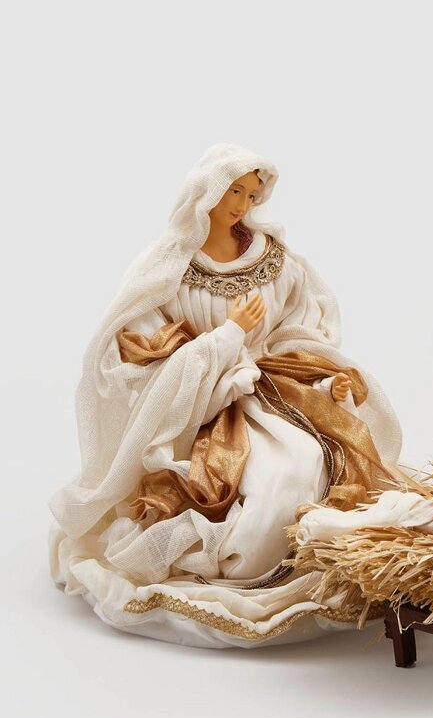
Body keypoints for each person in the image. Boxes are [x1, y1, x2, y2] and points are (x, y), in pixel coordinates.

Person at [49, 143, 402, 646]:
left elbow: (295, 334)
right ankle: (237, 561)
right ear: (207, 190)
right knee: (268, 485)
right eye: (234, 191)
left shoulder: (275, 260)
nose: (242, 204)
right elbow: (150, 359)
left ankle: (299, 553)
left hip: (271, 392)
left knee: (304, 462)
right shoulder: (168, 267)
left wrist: (321, 380)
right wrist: (227, 337)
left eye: (252, 195)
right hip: (201, 407)